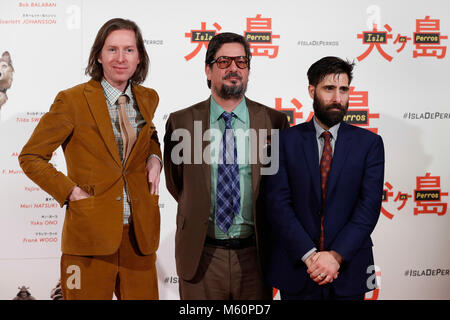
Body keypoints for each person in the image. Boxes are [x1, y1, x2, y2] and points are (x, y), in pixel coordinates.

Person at [18, 18, 162, 300]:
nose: (121, 58)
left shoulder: (148, 98)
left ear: (139, 57)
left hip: (140, 236)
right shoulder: (72, 101)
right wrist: (70, 191)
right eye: (112, 49)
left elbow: (149, 135)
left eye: (129, 50)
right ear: (99, 54)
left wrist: (155, 157)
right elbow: (31, 155)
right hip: (89, 237)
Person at [164, 32, 289, 300]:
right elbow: (177, 184)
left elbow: (279, 186)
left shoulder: (274, 122)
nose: (234, 68)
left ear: (248, 71)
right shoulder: (181, 122)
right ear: (208, 70)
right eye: (223, 61)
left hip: (255, 256)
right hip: (202, 255)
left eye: (241, 62)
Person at [264, 56, 384, 300]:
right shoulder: (282, 142)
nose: (337, 98)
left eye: (343, 89)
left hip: (348, 270)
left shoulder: (370, 144)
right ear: (312, 91)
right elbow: (277, 204)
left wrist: (335, 256)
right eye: (329, 88)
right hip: (297, 269)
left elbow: (368, 207)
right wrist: (310, 256)